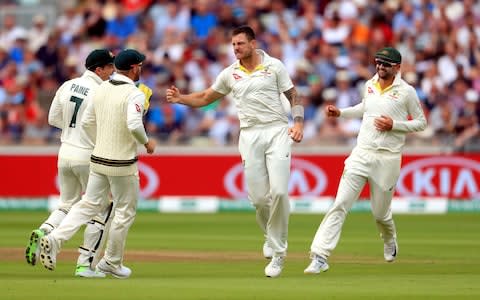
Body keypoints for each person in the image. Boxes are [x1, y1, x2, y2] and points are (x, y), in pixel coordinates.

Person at [166, 25, 304, 278]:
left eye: (240, 44)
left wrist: (297, 122)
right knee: (259, 200)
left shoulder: (274, 65)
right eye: (233, 45)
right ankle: (269, 235)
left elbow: (294, 95)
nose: (236, 48)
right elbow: (207, 97)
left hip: (276, 131)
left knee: (281, 192)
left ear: (253, 43)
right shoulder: (230, 73)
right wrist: (181, 98)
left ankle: (278, 253)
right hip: (249, 135)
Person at [304, 47, 427, 274]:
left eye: (386, 64)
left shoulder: (407, 92)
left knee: (380, 214)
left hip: (387, 158)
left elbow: (421, 123)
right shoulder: (369, 84)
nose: (380, 67)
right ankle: (320, 255)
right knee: (340, 204)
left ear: (397, 67)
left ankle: (389, 239)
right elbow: (364, 109)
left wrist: (395, 125)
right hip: (361, 153)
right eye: (378, 63)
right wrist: (340, 113)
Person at [38, 49, 156, 279]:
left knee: (87, 205)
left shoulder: (101, 88)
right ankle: (111, 262)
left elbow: (88, 121)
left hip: (97, 159)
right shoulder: (135, 93)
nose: (141, 69)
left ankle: (54, 238)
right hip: (122, 162)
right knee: (124, 211)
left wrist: (103, 141)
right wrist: (147, 143)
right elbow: (133, 124)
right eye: (139, 65)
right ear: (133, 68)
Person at [25, 49, 115, 278]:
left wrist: (72, 130)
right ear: (98, 69)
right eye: (109, 66)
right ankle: (85, 265)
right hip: (88, 155)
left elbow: (53, 119)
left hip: (65, 152)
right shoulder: (101, 91)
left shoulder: (68, 85)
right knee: (102, 207)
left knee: (67, 204)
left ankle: (44, 230)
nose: (112, 70)